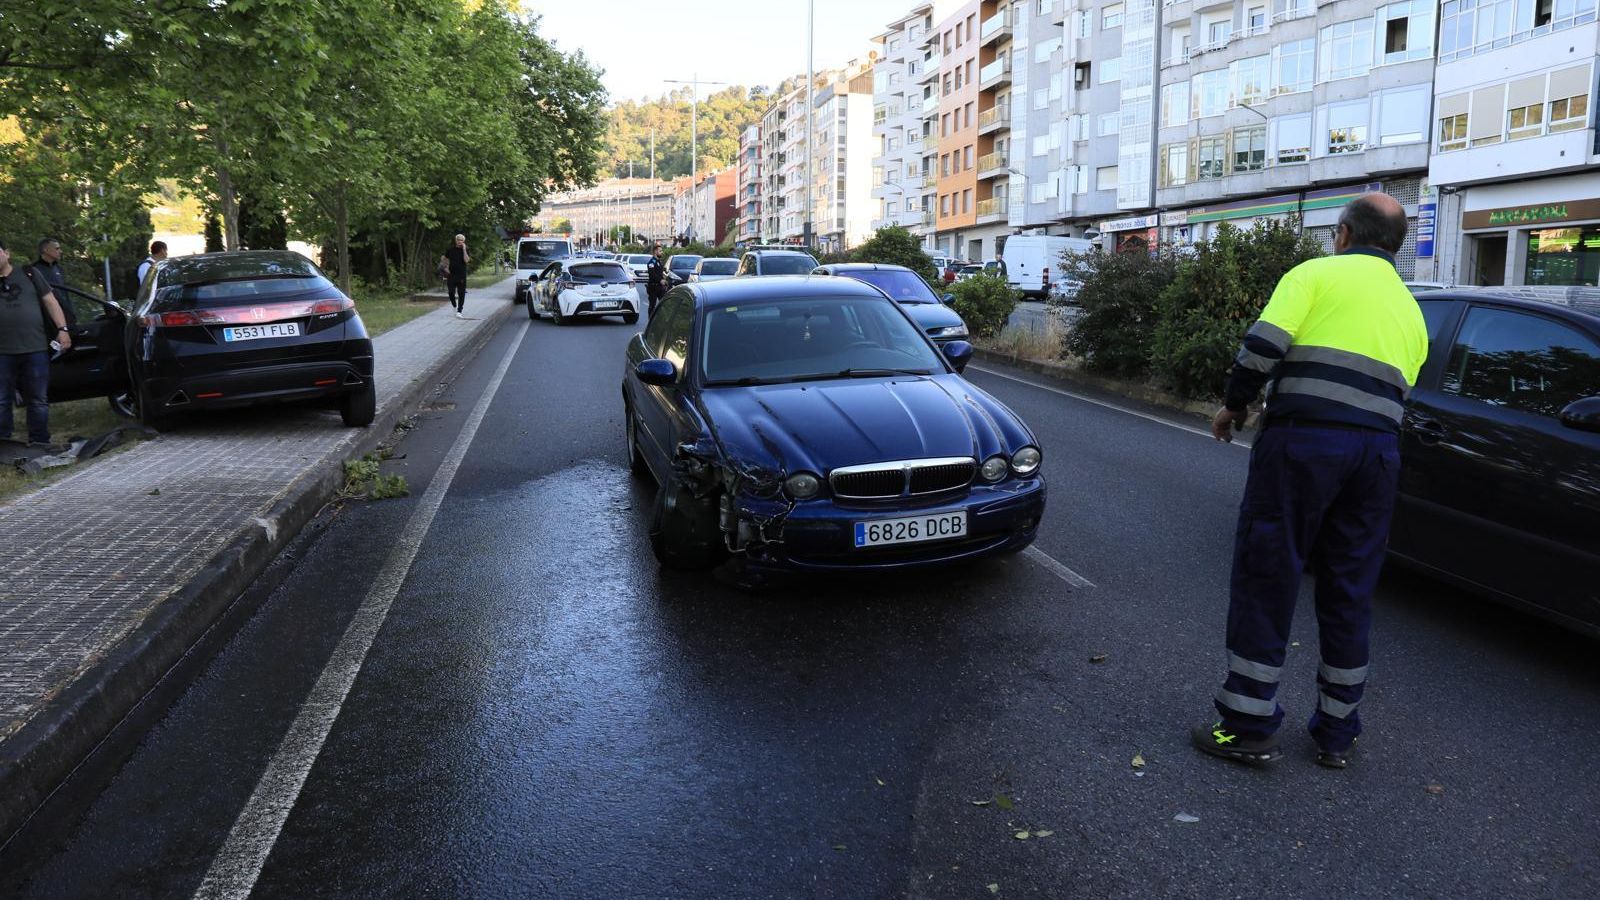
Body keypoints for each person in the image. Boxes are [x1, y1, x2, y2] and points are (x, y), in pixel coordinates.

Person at [1193, 193, 1429, 770]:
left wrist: (1234, 405)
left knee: (1269, 573)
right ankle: (1337, 734)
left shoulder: (1315, 275)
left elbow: (1262, 347)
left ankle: (1247, 725)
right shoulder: (1411, 310)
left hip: (1302, 445)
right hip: (1376, 457)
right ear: (1395, 247)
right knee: (1350, 589)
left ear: (1343, 234)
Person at [0, 239, 73, 447]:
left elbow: (51, 302)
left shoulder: (29, 273)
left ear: (7, 253)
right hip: (2, 352)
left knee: (38, 399)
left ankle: (39, 441)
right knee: (2, 400)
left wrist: (63, 330)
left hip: (35, 348)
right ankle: (4, 444)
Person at [33, 238, 74, 325]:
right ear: (46, 250)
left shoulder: (58, 269)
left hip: (67, 318)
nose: (60, 251)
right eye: (57, 248)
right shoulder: (34, 270)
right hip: (48, 321)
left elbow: (64, 294)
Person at [442, 233, 469, 318]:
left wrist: (464, 249)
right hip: (451, 275)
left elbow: (466, 260)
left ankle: (459, 311)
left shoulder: (466, 250)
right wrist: (445, 267)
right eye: (458, 240)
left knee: (461, 293)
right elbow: (445, 259)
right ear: (455, 240)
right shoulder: (450, 250)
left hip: (461, 275)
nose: (459, 241)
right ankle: (454, 306)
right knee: (451, 292)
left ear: (463, 241)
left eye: (461, 240)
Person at [645, 245, 668, 317]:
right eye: (660, 251)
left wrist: (664, 280)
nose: (662, 252)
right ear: (655, 251)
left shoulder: (659, 262)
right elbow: (652, 274)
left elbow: (660, 273)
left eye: (661, 251)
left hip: (660, 287)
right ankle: (650, 321)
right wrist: (660, 280)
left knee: (664, 304)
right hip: (653, 287)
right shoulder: (651, 262)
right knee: (652, 306)